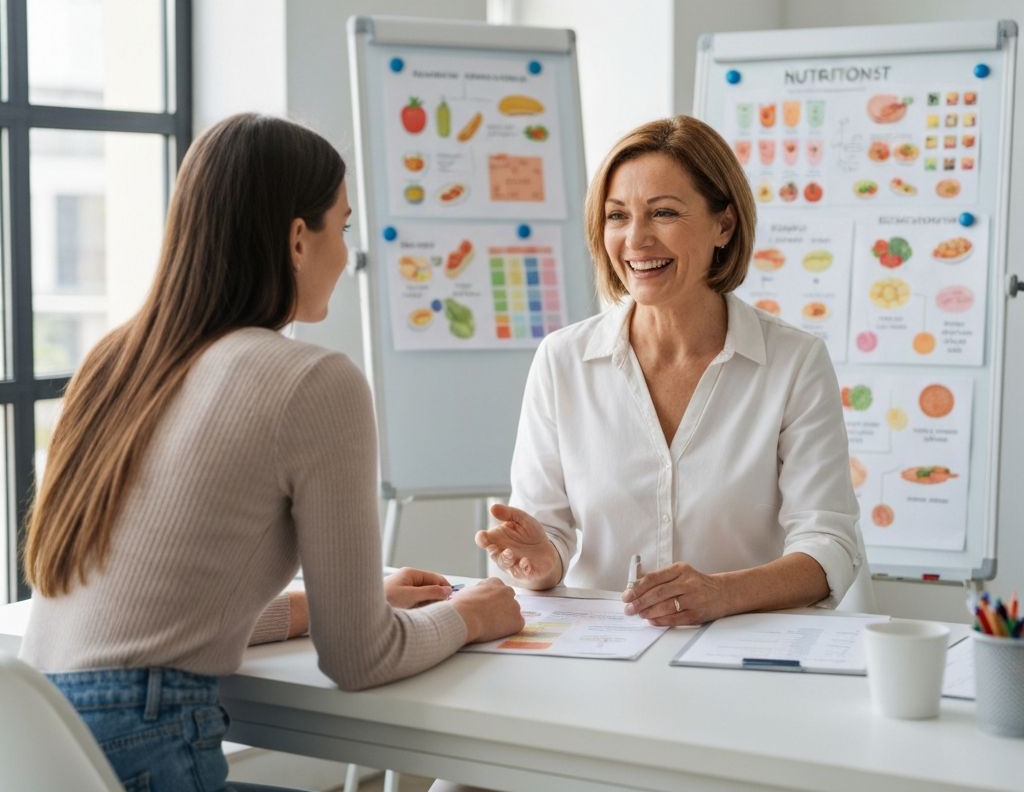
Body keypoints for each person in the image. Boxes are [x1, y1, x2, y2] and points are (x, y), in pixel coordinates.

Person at [20, 113, 522, 792]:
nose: (347, 254)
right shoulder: (313, 381)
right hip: (149, 745)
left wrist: (336, 601)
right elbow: (362, 659)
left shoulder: (116, 361)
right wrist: (469, 615)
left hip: (43, 739)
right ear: (296, 239)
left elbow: (162, 605)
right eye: (342, 228)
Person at [476, 115, 861, 626]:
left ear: (723, 224)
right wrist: (542, 561)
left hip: (742, 652)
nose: (636, 239)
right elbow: (546, 532)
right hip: (602, 656)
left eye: (663, 213)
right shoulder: (562, 359)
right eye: (617, 216)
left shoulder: (794, 363)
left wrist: (722, 593)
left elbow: (829, 544)